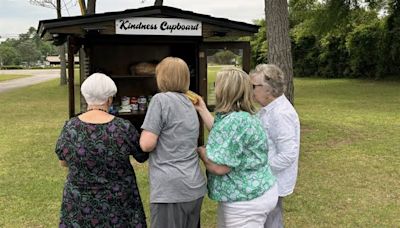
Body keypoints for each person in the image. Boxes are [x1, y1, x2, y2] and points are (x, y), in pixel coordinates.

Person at [55, 73, 148, 227]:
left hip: (79, 207)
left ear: (86, 97)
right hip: (120, 207)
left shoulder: (70, 127)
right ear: (109, 99)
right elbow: (142, 155)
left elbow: (63, 162)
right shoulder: (123, 128)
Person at [195, 67, 278, 228]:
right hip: (254, 191)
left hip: (245, 200)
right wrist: (202, 108)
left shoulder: (236, 121)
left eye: (216, 84)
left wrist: (201, 152)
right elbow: (224, 135)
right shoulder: (242, 117)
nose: (215, 88)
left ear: (226, 90)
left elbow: (220, 168)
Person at [139, 57, 207, 228]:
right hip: (194, 186)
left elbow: (147, 144)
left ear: (162, 77)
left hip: (171, 189)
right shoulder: (191, 102)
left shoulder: (160, 100)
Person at [249, 64, 301, 228]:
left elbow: (288, 155)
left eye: (254, 87)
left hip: (272, 181)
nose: (251, 91)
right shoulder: (268, 110)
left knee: (271, 223)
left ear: (268, 90)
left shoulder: (280, 114)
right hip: (266, 181)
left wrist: (260, 170)